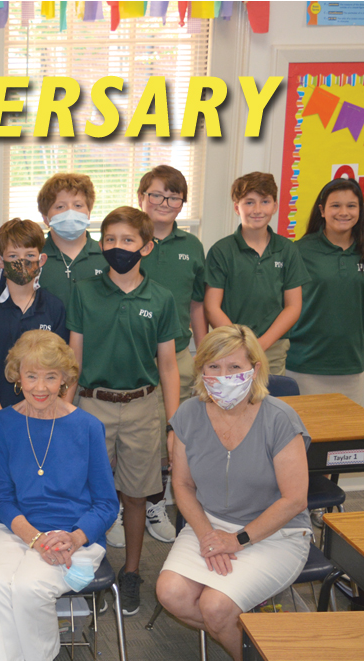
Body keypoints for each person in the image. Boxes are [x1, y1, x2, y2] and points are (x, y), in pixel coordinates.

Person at [156, 324, 312, 661]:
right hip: (209, 522)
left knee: (216, 607)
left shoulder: (280, 418)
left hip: (275, 532)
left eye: (234, 367)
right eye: (213, 367)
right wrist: (208, 536)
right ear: (201, 371)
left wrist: (237, 540)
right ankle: (252, 647)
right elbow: (182, 485)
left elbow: (295, 499)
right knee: (171, 593)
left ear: (255, 369)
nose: (222, 377)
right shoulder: (188, 415)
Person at [0, 330, 116, 661]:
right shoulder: (0, 424)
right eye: (31, 375)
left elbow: (106, 503)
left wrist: (73, 538)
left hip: (73, 534)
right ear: (16, 376)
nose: (40, 387)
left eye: (51, 377)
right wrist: (35, 539)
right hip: (11, 528)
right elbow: (0, 497)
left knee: (28, 587)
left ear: (65, 378)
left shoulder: (87, 426)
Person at [67, 207, 181, 616]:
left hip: (142, 406)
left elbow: (168, 366)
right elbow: (74, 358)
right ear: (102, 244)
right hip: (91, 404)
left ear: (146, 247)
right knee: (88, 495)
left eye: (128, 240)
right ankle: (88, 567)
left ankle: (131, 572)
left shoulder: (161, 298)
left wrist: (174, 425)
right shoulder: (84, 291)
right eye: (111, 239)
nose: (119, 247)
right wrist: (66, 410)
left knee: (135, 496)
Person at [0, 219, 69, 544]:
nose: (22, 264)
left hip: (44, 417)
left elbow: (63, 370)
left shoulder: (54, 307)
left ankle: (41, 543)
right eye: (13, 257)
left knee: (39, 486)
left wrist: (56, 411)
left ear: (42, 260)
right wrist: (3, 417)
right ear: (0, 261)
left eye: (30, 256)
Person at [137, 165, 206, 544]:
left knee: (172, 434)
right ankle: (123, 504)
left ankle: (157, 502)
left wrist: (204, 354)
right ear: (141, 197)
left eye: (173, 196)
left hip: (178, 355)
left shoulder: (192, 247)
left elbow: (197, 305)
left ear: (182, 203)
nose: (164, 202)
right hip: (132, 356)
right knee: (131, 436)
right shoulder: (127, 238)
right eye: (156, 194)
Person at [286, 177, 364, 401]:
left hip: (350, 363)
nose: (344, 212)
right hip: (303, 362)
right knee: (304, 424)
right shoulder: (299, 251)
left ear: (360, 210)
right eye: (336, 205)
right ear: (322, 210)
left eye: (351, 206)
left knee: (345, 424)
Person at [204, 172, 310, 375]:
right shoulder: (221, 251)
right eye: (249, 202)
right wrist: (240, 344)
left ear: (275, 206)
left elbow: (293, 307)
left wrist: (260, 345)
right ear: (237, 208)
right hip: (229, 349)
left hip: (273, 348)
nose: (258, 210)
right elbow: (212, 307)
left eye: (265, 201)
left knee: (270, 395)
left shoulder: (287, 250)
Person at [35, 173, 107, 309]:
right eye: (60, 207)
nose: (70, 212)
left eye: (78, 205)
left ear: (89, 213)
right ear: (45, 218)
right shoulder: (33, 257)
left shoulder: (106, 256)